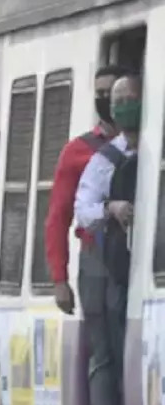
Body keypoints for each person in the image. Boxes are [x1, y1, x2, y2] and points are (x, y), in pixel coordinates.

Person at [75, 72, 141, 405]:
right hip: (115, 270)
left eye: (132, 97)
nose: (124, 105)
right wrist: (111, 210)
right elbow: (83, 209)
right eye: (118, 100)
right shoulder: (106, 159)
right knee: (110, 354)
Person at [45, 65, 126, 315]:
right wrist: (59, 279)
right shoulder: (77, 151)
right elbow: (58, 217)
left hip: (136, 249)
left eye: (110, 92)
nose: (103, 99)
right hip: (95, 255)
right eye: (98, 93)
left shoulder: (144, 141)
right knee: (101, 345)